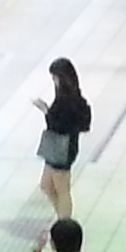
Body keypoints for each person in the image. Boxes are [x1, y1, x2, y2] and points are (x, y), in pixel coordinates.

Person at [34, 57, 90, 219]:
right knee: (46, 184)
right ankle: (62, 217)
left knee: (62, 188)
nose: (54, 81)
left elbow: (59, 125)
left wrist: (46, 111)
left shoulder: (69, 100)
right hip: (61, 148)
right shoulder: (69, 97)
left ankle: (64, 222)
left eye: (55, 77)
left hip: (63, 148)